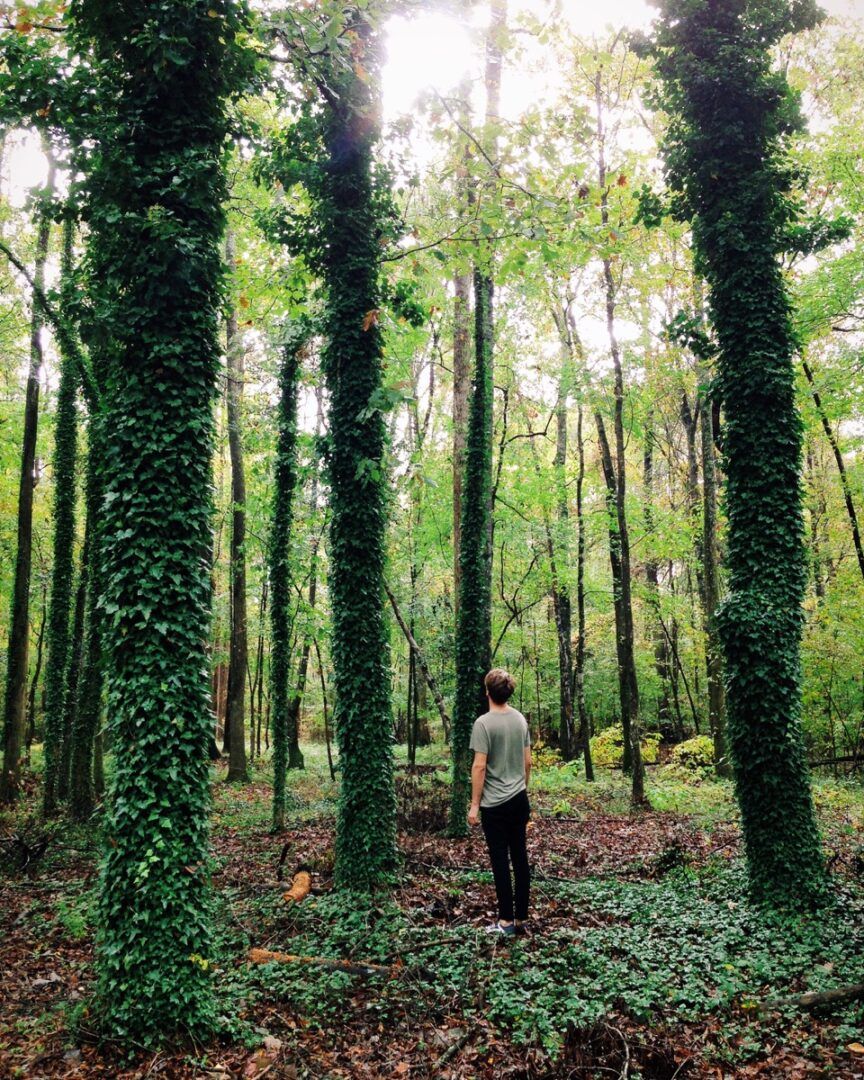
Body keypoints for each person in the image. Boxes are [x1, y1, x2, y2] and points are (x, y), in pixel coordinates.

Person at [468, 668, 532, 935]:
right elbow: (528, 761)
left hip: (494, 806)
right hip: (519, 800)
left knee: (500, 860)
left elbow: (479, 767)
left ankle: (506, 921)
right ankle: (521, 919)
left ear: (487, 692)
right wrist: (521, 788)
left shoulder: (483, 724)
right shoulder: (520, 720)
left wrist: (474, 805)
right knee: (519, 857)